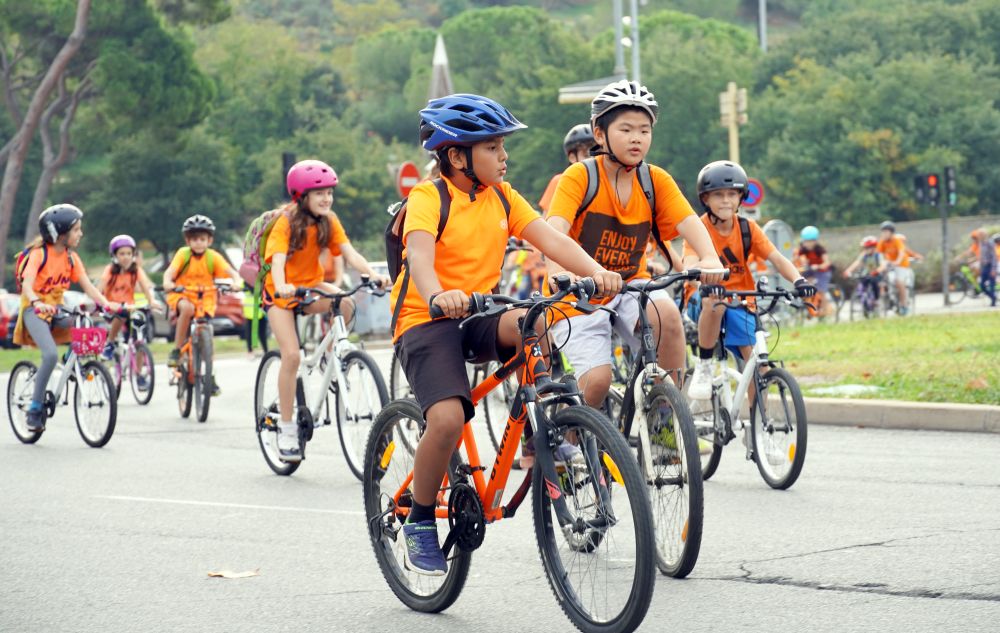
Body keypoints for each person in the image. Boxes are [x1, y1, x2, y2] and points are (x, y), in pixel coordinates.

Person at [391, 93, 623, 576]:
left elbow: (552, 239)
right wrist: (437, 295)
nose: (504, 156)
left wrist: (598, 272)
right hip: (426, 319)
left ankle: (544, 413)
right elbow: (419, 258)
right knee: (450, 420)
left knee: (537, 318)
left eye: (502, 147)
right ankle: (418, 518)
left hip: (479, 311)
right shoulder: (428, 197)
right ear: (457, 156)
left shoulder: (502, 194)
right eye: (493, 147)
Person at [544, 79, 725, 411]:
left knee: (668, 317)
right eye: (626, 129)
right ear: (599, 134)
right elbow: (553, 233)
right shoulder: (579, 177)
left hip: (631, 285)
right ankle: (569, 444)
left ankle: (665, 420)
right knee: (596, 382)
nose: (637, 138)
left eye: (645, 130)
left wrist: (710, 257)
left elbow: (689, 224)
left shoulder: (655, 179)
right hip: (576, 293)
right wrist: (558, 273)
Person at [264, 159, 390, 463]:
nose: (326, 199)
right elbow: (277, 261)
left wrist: (372, 274)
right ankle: (286, 428)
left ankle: (333, 358)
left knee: (345, 302)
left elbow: (349, 253)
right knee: (291, 356)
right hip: (281, 294)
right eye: (319, 193)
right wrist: (282, 286)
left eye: (330, 193)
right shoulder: (285, 222)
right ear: (301, 196)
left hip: (312, 285)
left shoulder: (328, 221)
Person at [685, 161, 815, 401]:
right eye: (718, 195)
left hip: (741, 300)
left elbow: (776, 257)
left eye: (732, 194)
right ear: (705, 199)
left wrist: (799, 280)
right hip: (703, 297)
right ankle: (704, 365)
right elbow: (690, 263)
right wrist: (700, 281)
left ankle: (758, 429)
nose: (726, 200)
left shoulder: (747, 228)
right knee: (715, 301)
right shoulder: (698, 227)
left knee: (757, 367)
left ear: (741, 197)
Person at [13, 204, 116, 432]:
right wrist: (38, 302)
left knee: (87, 324)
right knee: (49, 356)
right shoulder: (40, 255)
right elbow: (27, 286)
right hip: (35, 311)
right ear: (59, 234)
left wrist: (106, 304)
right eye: (77, 230)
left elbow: (88, 286)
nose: (81, 234)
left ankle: (72, 359)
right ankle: (35, 408)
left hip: (57, 310)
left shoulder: (71, 258)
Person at [162, 214, 241, 396]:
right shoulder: (183, 254)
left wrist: (236, 282)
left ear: (210, 240)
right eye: (194, 239)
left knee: (207, 334)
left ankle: (209, 375)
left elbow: (232, 272)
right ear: (188, 240)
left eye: (202, 239)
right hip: (182, 295)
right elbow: (170, 273)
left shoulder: (213, 257)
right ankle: (176, 350)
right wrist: (168, 283)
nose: (198, 243)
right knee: (187, 309)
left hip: (205, 298)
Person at [98, 235, 162, 368]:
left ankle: (139, 374)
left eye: (129, 253)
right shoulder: (110, 270)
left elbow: (145, 286)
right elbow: (100, 289)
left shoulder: (136, 270)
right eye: (121, 253)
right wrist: (106, 303)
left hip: (130, 307)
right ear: (114, 255)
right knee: (120, 315)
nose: (126, 257)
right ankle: (109, 343)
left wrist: (152, 301)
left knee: (140, 339)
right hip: (113, 309)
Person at [537, 123, 594, 214]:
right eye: (586, 155)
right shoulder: (560, 181)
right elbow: (547, 219)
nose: (592, 159)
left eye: (597, 154)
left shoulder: (609, 182)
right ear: (572, 158)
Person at [794, 225, 832, 317]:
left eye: (811, 241)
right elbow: (796, 259)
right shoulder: (803, 250)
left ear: (815, 241)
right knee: (803, 285)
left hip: (823, 271)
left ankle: (825, 310)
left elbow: (827, 262)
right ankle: (809, 306)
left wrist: (818, 266)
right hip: (811, 270)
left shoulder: (820, 250)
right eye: (806, 241)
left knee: (821, 290)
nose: (808, 244)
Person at [876, 221, 912, 315]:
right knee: (883, 280)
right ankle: (887, 300)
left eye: (886, 232)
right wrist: (882, 264)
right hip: (889, 264)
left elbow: (901, 253)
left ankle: (904, 305)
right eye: (883, 232)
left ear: (891, 232)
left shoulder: (897, 240)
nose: (884, 234)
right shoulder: (882, 241)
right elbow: (879, 254)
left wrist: (897, 262)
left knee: (899, 282)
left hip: (901, 264)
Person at [842, 235, 885, 300]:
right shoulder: (864, 255)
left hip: (877, 274)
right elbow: (857, 262)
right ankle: (864, 300)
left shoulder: (878, 255)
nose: (865, 250)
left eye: (867, 248)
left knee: (875, 283)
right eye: (864, 248)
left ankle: (878, 300)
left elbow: (883, 265)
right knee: (862, 282)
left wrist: (877, 271)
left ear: (873, 247)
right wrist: (848, 271)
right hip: (867, 273)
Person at [971, 228, 997, 306]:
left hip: (990, 266)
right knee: (982, 285)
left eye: (980, 234)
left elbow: (993, 257)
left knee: (992, 285)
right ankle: (993, 297)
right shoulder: (981, 243)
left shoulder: (990, 243)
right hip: (984, 267)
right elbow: (981, 256)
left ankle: (993, 302)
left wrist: (993, 269)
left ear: (984, 235)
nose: (978, 236)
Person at [242, 282, 268, 357]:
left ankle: (265, 351)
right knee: (251, 333)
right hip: (252, 312)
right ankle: (251, 351)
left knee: (261, 333)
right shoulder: (246, 282)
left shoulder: (249, 281)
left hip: (259, 311)